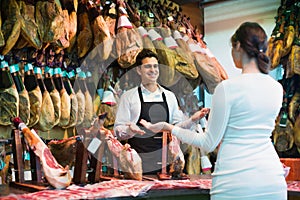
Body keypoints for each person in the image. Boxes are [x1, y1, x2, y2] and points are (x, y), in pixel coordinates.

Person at [140, 22, 287, 199]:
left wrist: (170, 128)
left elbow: (208, 142)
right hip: (272, 180)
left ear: (238, 46)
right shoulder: (276, 88)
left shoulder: (227, 88)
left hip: (235, 181)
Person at [114, 49, 209, 175]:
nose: (153, 70)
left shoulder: (169, 96)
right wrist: (130, 130)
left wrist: (192, 120)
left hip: (167, 167)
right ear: (138, 70)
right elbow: (118, 131)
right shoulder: (129, 97)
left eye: (155, 66)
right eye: (147, 66)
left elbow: (177, 128)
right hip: (136, 165)